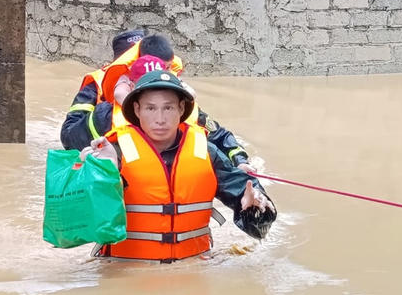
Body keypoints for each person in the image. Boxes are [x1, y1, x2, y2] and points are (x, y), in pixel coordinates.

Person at [85, 70, 277, 262]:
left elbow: (259, 230)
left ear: (181, 108)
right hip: (123, 273)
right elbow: (76, 222)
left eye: (168, 108)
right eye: (151, 109)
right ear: (137, 110)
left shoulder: (207, 152)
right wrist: (97, 174)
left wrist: (256, 210)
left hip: (193, 268)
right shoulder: (112, 152)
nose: (160, 119)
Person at [60, 32, 253, 171]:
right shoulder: (102, 100)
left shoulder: (182, 104)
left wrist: (240, 160)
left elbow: (218, 136)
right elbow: (69, 136)